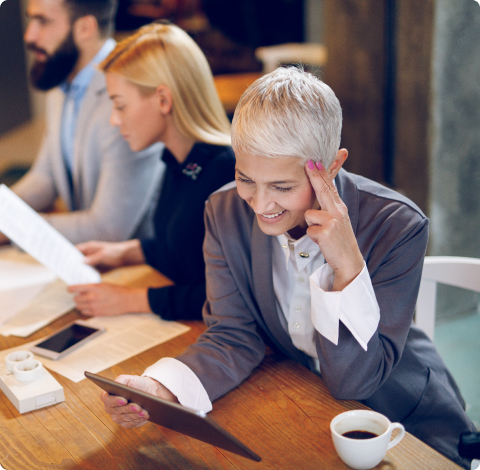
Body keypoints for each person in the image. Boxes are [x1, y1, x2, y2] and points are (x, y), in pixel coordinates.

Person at [99, 68, 476, 468]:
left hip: (401, 418)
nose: (260, 205)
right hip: (304, 402)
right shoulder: (224, 212)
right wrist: (160, 388)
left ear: (330, 167)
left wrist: (346, 267)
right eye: (246, 179)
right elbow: (232, 334)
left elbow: (355, 382)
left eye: (282, 187)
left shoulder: (397, 224)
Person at [67, 22, 234, 320]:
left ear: (163, 100)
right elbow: (185, 249)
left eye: (120, 106)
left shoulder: (226, 175)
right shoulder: (176, 161)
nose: (114, 121)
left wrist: (134, 299)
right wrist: (126, 253)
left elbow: (232, 295)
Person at [0, 0, 163, 245]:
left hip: (137, 268)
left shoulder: (128, 96)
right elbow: (46, 176)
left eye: (42, 21)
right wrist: (4, 213)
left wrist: (16, 227)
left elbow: (108, 228)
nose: (29, 35)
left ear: (85, 28)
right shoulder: (64, 75)